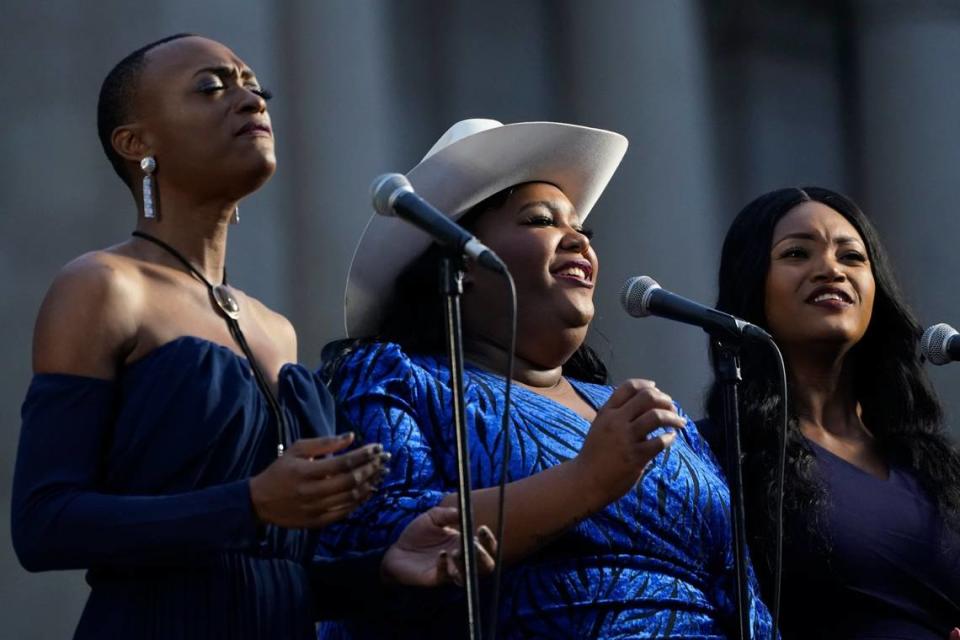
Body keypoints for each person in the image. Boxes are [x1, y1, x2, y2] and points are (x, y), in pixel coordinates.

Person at [11, 35, 494, 640]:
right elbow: (43, 523)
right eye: (212, 87)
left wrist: (385, 570)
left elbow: (265, 573)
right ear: (137, 144)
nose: (249, 101)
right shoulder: (103, 287)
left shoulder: (276, 329)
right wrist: (248, 504)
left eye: (254, 88)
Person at [316, 118, 774, 638]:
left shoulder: (636, 413)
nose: (577, 239)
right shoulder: (398, 380)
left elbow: (741, 594)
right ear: (458, 263)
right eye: (540, 221)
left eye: (582, 229)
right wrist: (586, 480)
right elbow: (379, 538)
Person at [705, 186, 960, 638]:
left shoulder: (935, 466)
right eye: (797, 253)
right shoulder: (719, 458)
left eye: (852, 257)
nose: (830, 270)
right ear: (751, 284)